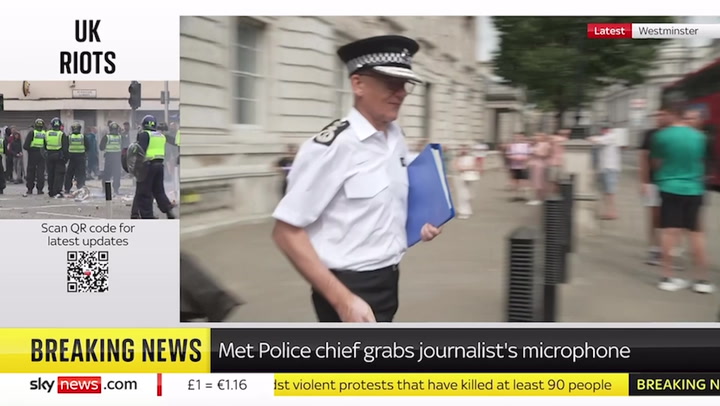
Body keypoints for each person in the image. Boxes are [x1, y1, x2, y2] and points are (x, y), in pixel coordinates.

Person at [271, 35, 442, 323]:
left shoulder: (395, 137)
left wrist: (419, 224)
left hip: (388, 277)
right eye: (391, 83)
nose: (401, 93)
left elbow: (390, 200)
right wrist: (343, 301)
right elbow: (286, 232)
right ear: (358, 84)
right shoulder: (332, 146)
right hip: (347, 286)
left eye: (405, 84)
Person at [651, 102, 714, 293]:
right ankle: (702, 281)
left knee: (670, 233)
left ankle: (667, 277)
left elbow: (656, 162)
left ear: (673, 115)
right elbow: (703, 162)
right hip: (694, 188)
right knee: (696, 234)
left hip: (669, 187)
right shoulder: (700, 137)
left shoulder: (660, 136)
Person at [131, 115, 177, 219]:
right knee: (159, 191)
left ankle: (148, 216)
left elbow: (140, 152)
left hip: (147, 166)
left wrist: (136, 168)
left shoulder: (144, 134)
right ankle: (168, 210)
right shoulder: (160, 136)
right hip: (159, 166)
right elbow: (174, 141)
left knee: (144, 192)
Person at [639, 112, 665, 265]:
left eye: (663, 115)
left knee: (671, 218)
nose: (659, 118)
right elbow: (643, 158)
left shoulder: (674, 133)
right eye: (658, 115)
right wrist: (643, 182)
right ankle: (654, 248)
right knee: (654, 216)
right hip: (653, 182)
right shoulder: (650, 134)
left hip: (671, 182)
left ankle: (669, 249)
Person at [588, 126, 621, 220]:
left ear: (608, 129)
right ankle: (608, 211)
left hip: (610, 168)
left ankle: (613, 212)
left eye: (604, 129)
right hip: (604, 168)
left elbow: (598, 140)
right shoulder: (606, 137)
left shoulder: (611, 136)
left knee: (610, 191)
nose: (603, 131)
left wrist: (591, 138)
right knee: (606, 192)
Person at [44, 118, 69, 198]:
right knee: (59, 174)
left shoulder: (47, 133)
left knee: (51, 174)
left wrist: (45, 155)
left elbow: (44, 146)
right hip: (59, 157)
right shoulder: (61, 134)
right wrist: (66, 158)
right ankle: (57, 191)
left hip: (49, 156)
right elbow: (65, 148)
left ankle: (51, 191)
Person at [23, 118, 47, 196]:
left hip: (32, 154)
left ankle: (30, 189)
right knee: (40, 173)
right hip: (42, 154)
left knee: (31, 172)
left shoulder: (32, 133)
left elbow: (25, 146)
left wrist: (31, 149)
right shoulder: (45, 134)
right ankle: (40, 190)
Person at [453, 145, 478, 219]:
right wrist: (462, 168)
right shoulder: (458, 158)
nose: (463, 151)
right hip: (460, 177)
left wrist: (465, 168)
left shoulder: (471, 158)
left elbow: (474, 166)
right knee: (462, 195)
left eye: (465, 149)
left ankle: (467, 210)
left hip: (469, 177)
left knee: (469, 195)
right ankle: (463, 211)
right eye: (461, 149)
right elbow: (456, 166)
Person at [64, 122, 90, 195]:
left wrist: (67, 157)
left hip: (71, 158)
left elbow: (65, 147)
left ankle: (67, 189)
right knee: (81, 174)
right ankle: (80, 188)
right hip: (81, 157)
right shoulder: (83, 137)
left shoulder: (69, 137)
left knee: (69, 174)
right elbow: (88, 147)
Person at [99, 122, 123, 195]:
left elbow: (101, 147)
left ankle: (105, 189)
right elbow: (123, 147)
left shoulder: (106, 137)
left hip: (109, 157)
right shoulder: (120, 137)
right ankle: (116, 190)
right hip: (117, 157)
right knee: (117, 174)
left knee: (107, 174)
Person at [507, 132, 530, 201]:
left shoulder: (526, 145)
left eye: (520, 137)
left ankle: (524, 196)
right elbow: (508, 154)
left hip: (523, 165)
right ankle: (516, 196)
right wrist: (514, 158)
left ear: (523, 137)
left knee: (523, 181)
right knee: (515, 181)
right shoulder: (512, 146)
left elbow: (529, 155)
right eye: (516, 137)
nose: (518, 138)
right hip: (514, 165)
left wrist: (523, 158)